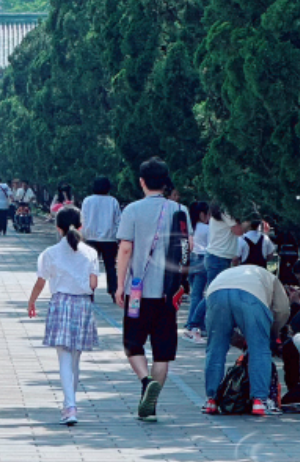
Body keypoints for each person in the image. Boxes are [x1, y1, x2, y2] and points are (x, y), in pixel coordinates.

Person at [115, 157, 190, 422]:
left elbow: (125, 249)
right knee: (163, 351)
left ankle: (146, 383)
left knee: (133, 344)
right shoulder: (180, 210)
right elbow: (186, 248)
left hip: (138, 294)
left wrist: (119, 284)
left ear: (142, 182)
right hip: (168, 294)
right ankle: (152, 404)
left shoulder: (132, 210)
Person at [28, 205, 99, 426]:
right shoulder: (90, 253)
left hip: (61, 304)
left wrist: (31, 302)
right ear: (80, 226)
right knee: (75, 359)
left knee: (64, 359)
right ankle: (70, 403)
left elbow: (41, 281)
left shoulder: (50, 253)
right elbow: (94, 284)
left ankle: (70, 406)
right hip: (82, 305)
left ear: (58, 228)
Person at [202, 265, 290, 417]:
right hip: (251, 296)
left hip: (216, 292)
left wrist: (237, 338)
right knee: (260, 350)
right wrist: (272, 333)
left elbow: (223, 330)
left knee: (215, 349)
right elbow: (282, 310)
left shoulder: (228, 271)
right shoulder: (272, 279)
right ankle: (259, 401)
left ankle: (211, 400)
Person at [188, 205, 249, 333]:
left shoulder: (221, 212)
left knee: (215, 293)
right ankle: (194, 324)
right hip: (218, 258)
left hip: (218, 257)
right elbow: (238, 231)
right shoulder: (226, 211)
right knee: (213, 294)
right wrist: (249, 221)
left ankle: (201, 324)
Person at [81, 176, 122, 300]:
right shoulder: (113, 201)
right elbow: (118, 221)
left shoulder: (88, 201)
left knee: (90, 266)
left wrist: (82, 236)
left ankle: (89, 291)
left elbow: (83, 219)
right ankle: (114, 291)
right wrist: (118, 237)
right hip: (109, 239)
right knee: (110, 266)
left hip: (91, 238)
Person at [183, 201, 210, 343]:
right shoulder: (206, 229)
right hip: (202, 260)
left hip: (190, 260)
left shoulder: (190, 228)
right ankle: (192, 324)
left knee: (195, 293)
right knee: (198, 295)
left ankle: (196, 323)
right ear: (202, 214)